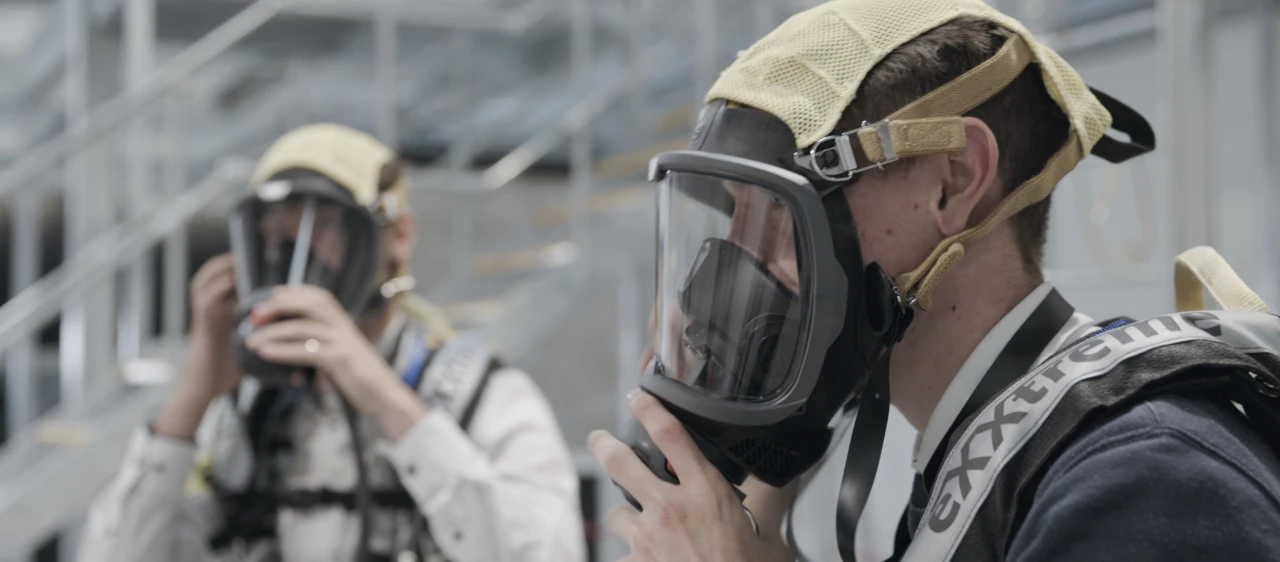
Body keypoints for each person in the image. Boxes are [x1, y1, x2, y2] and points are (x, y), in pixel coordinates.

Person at [588, 1, 1280, 561]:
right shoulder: (1002, 462)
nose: (723, 275)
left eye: (774, 214)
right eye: (730, 223)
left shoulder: (1143, 481)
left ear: (953, 181)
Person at [79, 124, 585, 562]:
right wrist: (192, 396)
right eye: (274, 233)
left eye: (321, 224)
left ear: (398, 237)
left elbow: (545, 553)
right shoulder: (246, 416)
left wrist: (388, 401)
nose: (292, 251)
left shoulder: (481, 395)